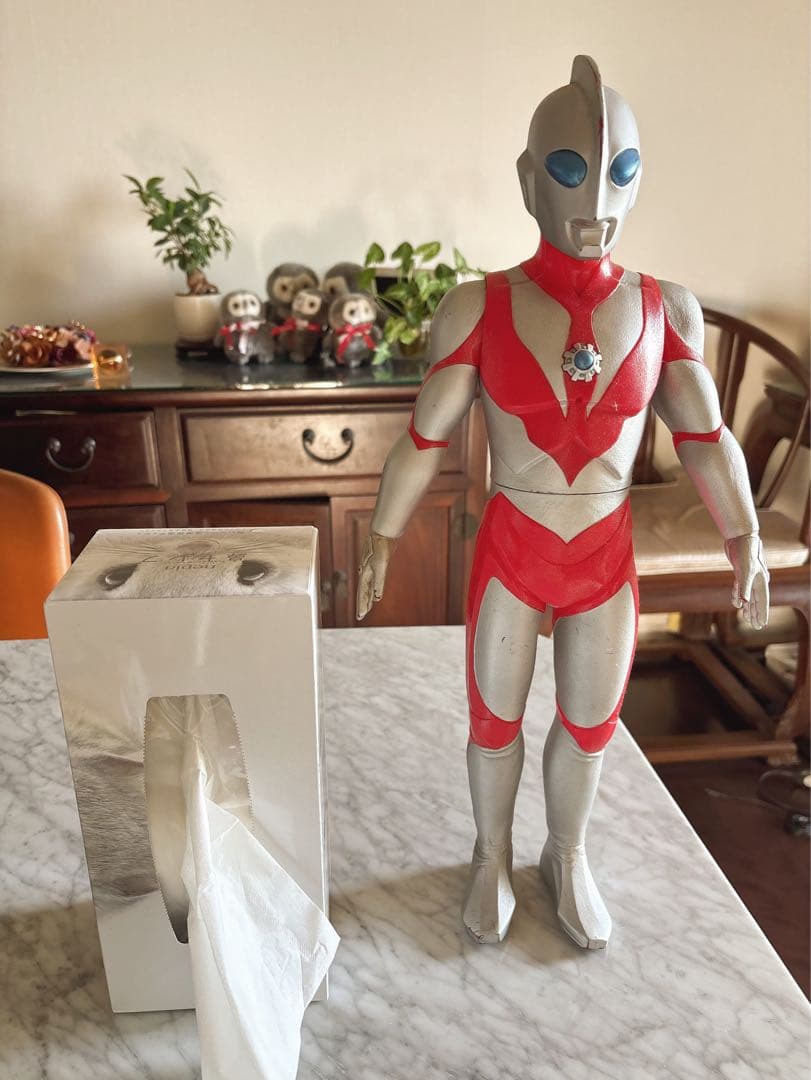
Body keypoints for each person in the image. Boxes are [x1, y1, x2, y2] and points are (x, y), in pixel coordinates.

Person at [356, 55, 770, 950]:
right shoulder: (476, 304)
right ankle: (490, 855)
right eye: (570, 170)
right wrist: (382, 535)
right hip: (515, 541)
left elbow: (704, 436)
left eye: (619, 172)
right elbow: (424, 438)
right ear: (527, 180)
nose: (595, 201)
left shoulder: (665, 309)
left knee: (590, 726)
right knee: (493, 721)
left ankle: (566, 852)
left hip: (603, 550)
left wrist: (742, 532)